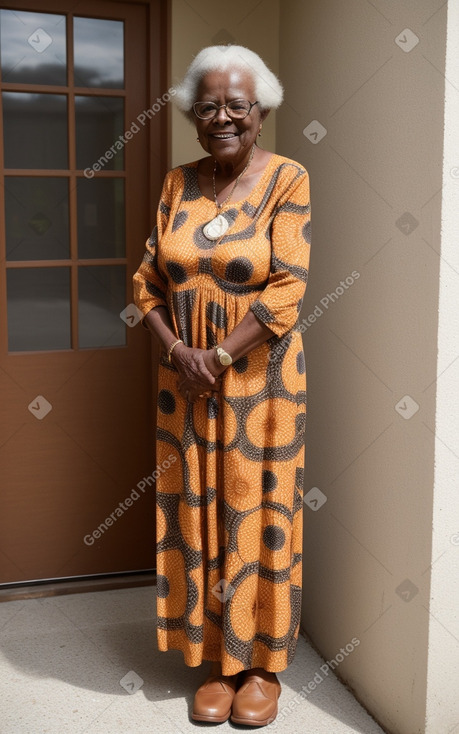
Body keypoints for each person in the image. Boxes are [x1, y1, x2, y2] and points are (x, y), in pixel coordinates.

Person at [133, 44, 311, 727]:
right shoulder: (178, 183)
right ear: (190, 115)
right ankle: (214, 657)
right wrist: (181, 350)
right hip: (185, 381)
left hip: (261, 384)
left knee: (259, 512)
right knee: (196, 509)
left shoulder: (288, 178)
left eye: (237, 104)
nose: (222, 116)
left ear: (261, 111)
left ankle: (261, 661)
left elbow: (289, 287)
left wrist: (219, 356)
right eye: (207, 106)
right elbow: (146, 279)